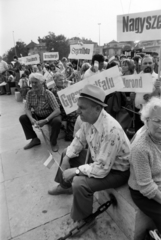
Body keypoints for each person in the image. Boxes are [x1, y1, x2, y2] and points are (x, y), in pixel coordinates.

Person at [48, 84, 130, 223]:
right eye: (78, 106)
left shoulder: (111, 130)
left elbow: (102, 169)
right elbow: (79, 140)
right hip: (99, 160)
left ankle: (85, 218)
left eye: (82, 108)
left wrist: (76, 171)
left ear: (98, 108)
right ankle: (64, 186)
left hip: (116, 171)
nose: (78, 111)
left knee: (80, 183)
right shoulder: (88, 119)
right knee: (66, 153)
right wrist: (67, 157)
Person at [128, 97, 161, 238]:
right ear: (146, 121)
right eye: (157, 121)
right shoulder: (141, 147)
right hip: (143, 192)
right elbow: (147, 187)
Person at [19, 73, 62, 152]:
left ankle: (53, 142)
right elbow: (27, 108)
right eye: (32, 83)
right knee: (23, 118)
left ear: (42, 83)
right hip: (37, 115)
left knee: (57, 121)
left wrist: (46, 120)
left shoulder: (48, 94)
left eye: (36, 82)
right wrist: (31, 119)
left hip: (50, 116)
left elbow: (57, 110)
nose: (33, 84)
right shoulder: (30, 93)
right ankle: (34, 139)